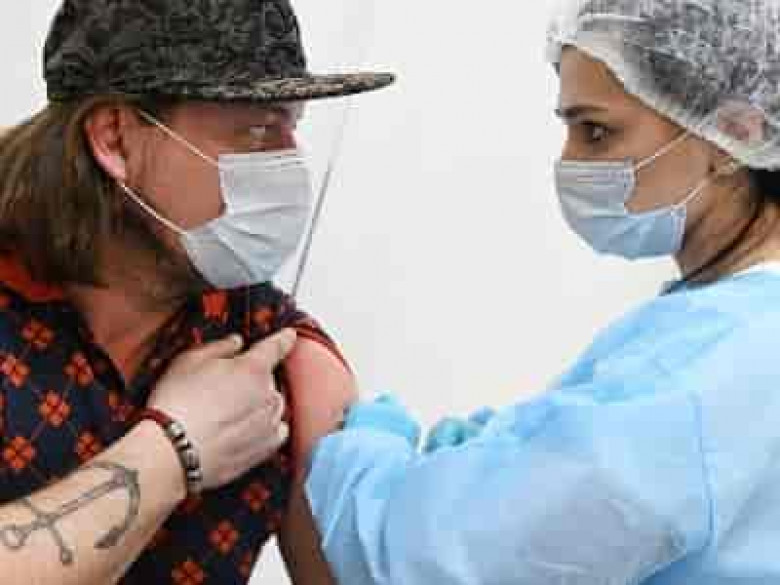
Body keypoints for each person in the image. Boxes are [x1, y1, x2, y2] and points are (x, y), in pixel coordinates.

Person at [302, 1, 780, 583]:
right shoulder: (732, 330)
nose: (569, 162)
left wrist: (363, 454)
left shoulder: (700, 372)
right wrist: (491, 457)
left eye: (596, 131)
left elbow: (426, 561)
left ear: (734, 134)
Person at [0, 1, 392, 584]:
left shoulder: (280, 359)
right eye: (255, 130)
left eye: (292, 126)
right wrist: (170, 450)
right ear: (115, 138)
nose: (287, 162)